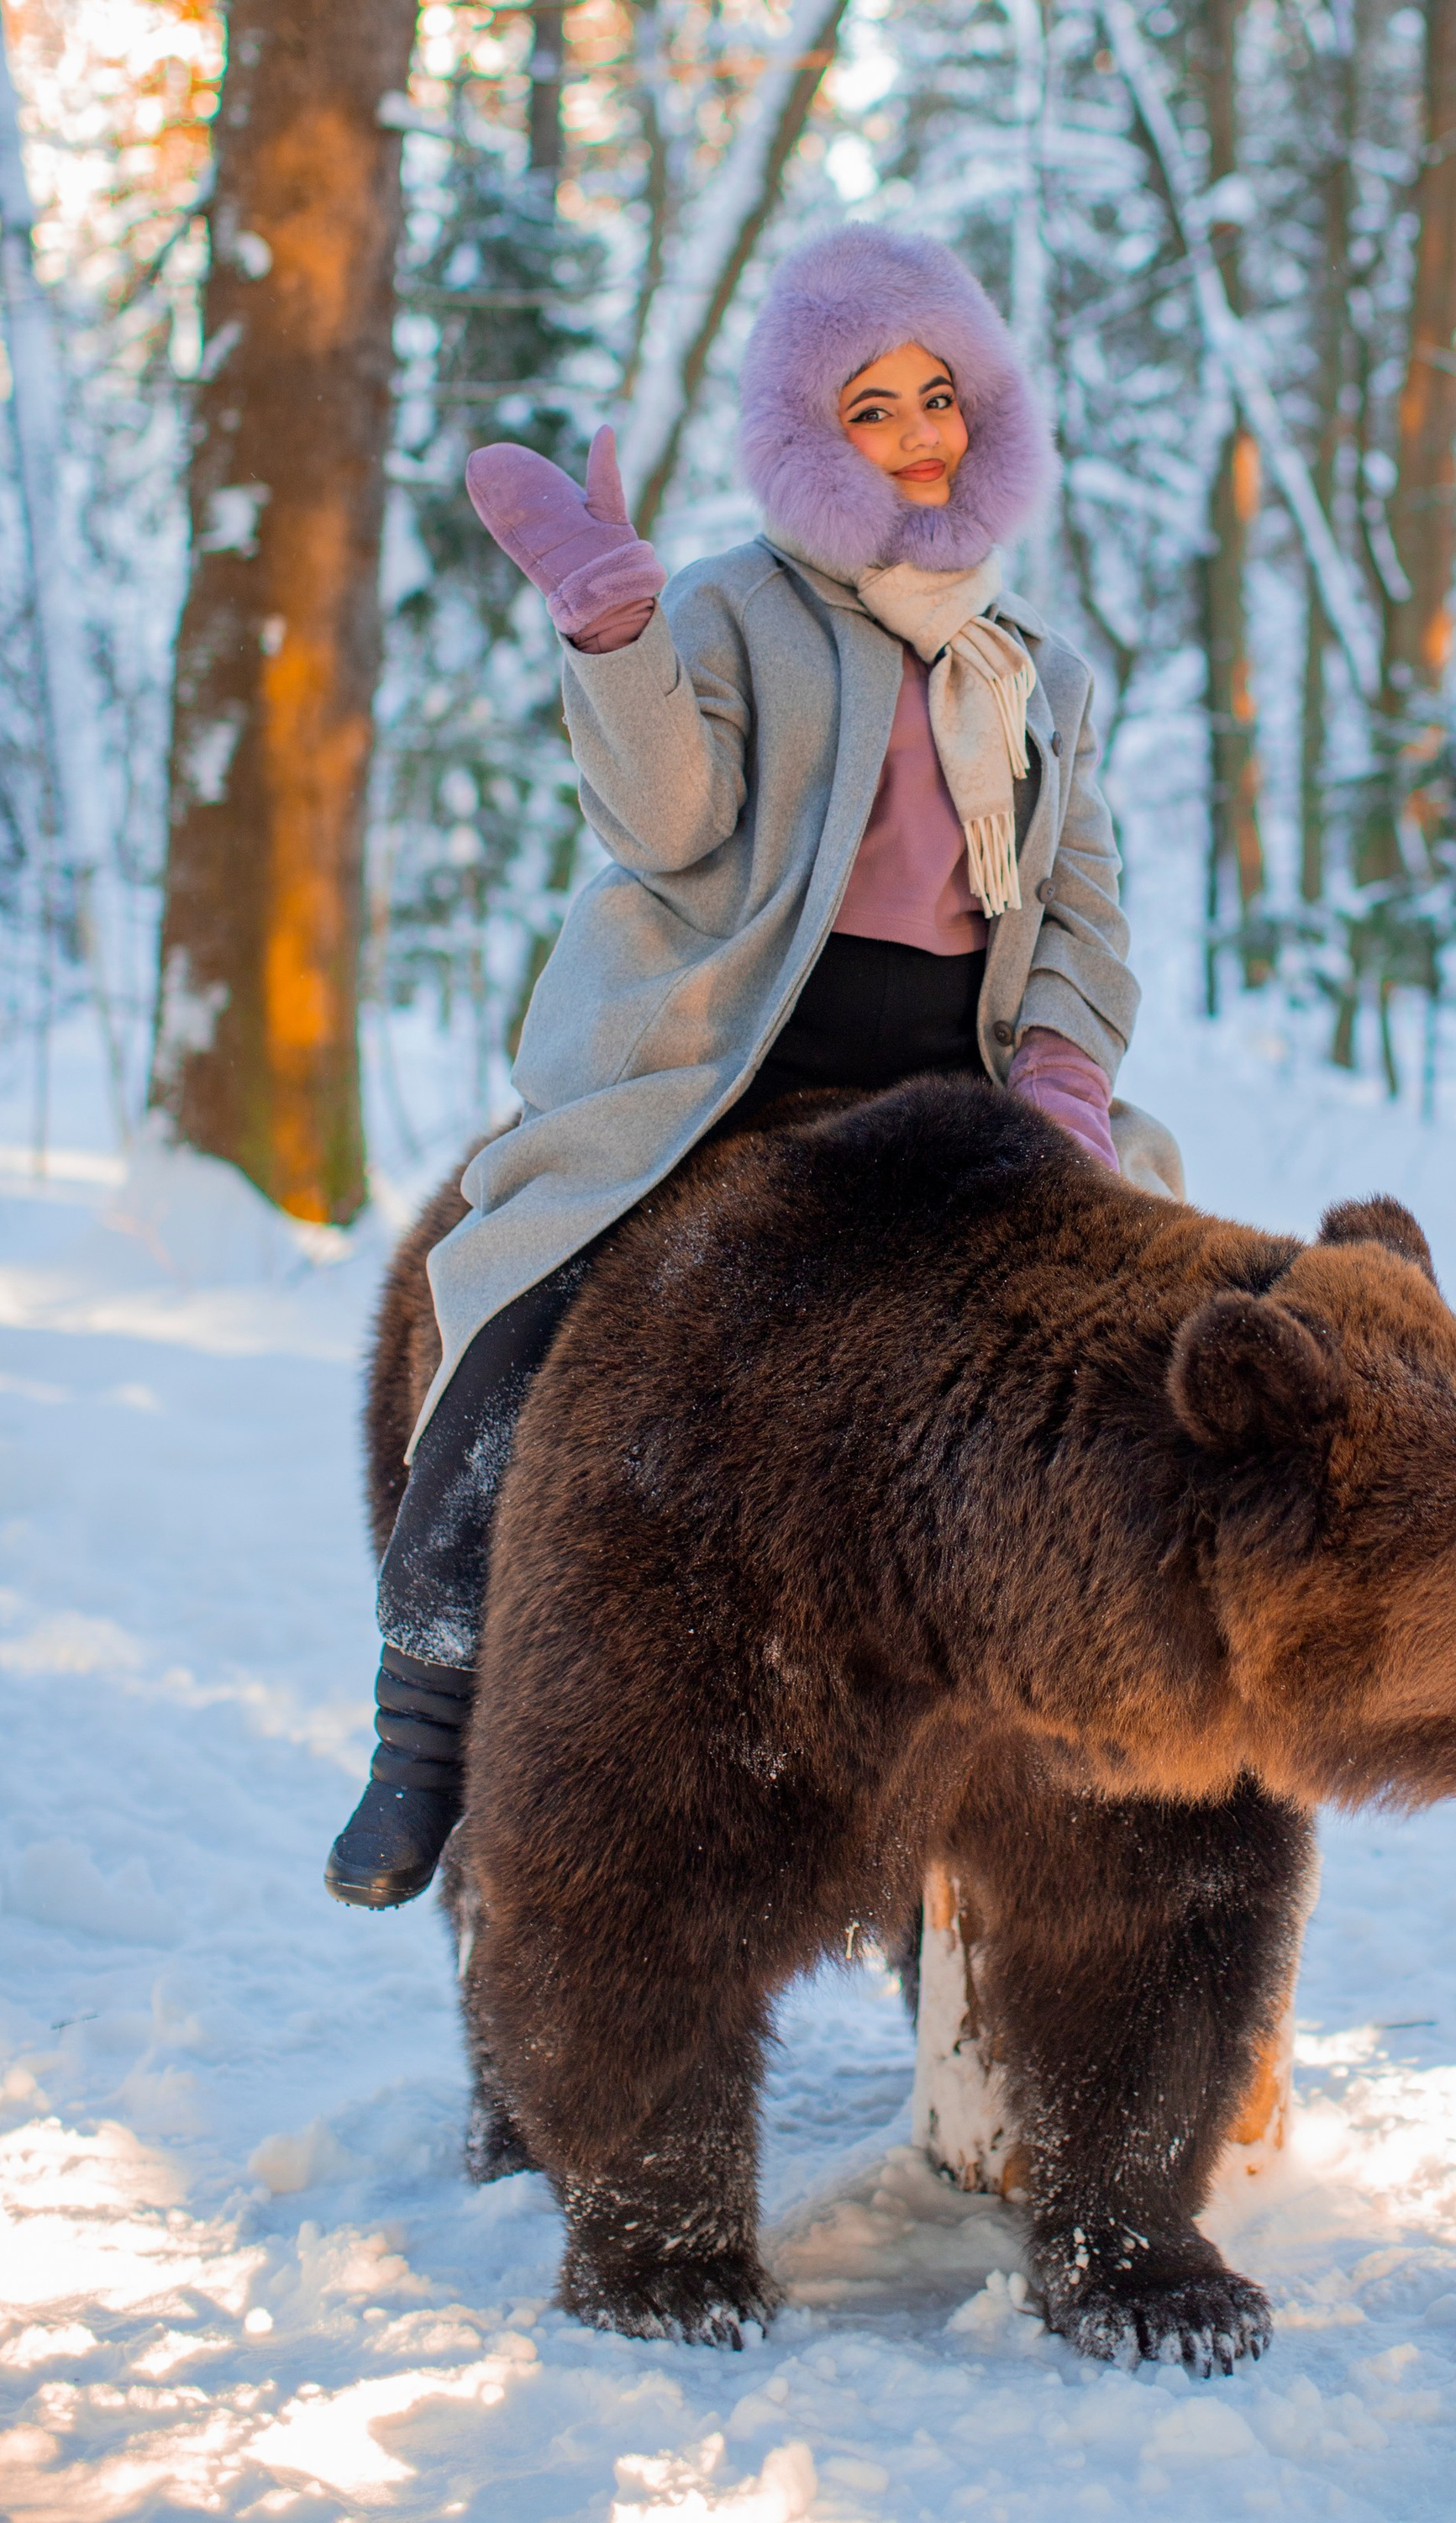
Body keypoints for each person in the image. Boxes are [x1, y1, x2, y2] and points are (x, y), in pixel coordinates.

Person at [326, 226, 1144, 1909]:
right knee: (538, 1303)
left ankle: (1092, 1765)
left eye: (941, 396)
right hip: (730, 1070)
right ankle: (426, 1723)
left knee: (1150, 1319)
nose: (918, 434)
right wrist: (616, 637)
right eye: (870, 408)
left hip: (961, 1090)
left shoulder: (1031, 669)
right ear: (803, 435)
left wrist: (1064, 1070)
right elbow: (668, 828)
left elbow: (1079, 897)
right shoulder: (739, 612)